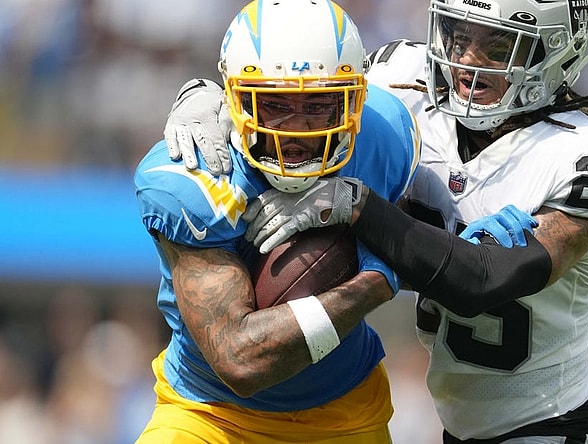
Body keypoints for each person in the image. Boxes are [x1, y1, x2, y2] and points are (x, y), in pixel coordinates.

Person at [165, 1, 588, 442]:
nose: (468, 61)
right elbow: (302, 84)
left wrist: (357, 205)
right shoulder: (400, 78)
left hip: (555, 423)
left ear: (557, 51)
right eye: (459, 36)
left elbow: (483, 279)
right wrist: (209, 94)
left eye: (500, 46)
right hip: (461, 427)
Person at [132, 0, 423, 442]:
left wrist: (375, 220)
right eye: (274, 103)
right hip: (210, 413)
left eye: (318, 104)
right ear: (233, 99)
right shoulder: (196, 175)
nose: (297, 129)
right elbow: (241, 363)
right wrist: (375, 280)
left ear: (354, 100)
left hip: (345, 410)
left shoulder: (383, 135)